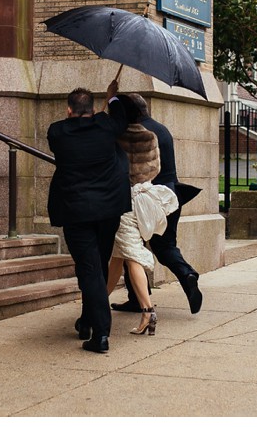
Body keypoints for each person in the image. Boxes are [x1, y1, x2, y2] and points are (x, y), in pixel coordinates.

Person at [47, 80, 129, 354]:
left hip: (76, 210)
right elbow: (119, 117)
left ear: (69, 110)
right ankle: (87, 321)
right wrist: (112, 97)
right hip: (108, 210)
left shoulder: (57, 132)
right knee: (97, 266)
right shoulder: (107, 126)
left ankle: (101, 334)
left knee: (90, 268)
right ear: (92, 110)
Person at [111, 94, 203, 315]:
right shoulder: (161, 129)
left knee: (129, 248)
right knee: (166, 247)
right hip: (170, 196)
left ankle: (137, 299)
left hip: (144, 200)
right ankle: (186, 274)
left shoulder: (132, 134)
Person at [105, 93, 178, 336]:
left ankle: (147, 310)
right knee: (118, 255)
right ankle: (96, 302)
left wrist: (108, 99)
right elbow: (156, 168)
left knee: (132, 255)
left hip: (122, 202)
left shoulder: (116, 136)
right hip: (142, 199)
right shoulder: (150, 136)